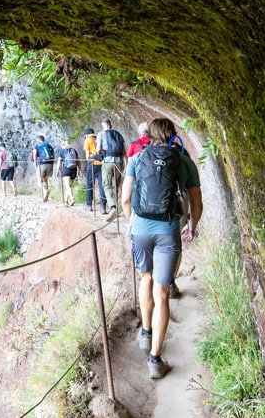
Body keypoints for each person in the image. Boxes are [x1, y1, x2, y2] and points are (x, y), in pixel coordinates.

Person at [122, 116, 203, 380]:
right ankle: (155, 360)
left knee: (146, 277)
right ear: (172, 135)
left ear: (150, 135)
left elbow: (125, 199)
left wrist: (133, 223)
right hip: (168, 230)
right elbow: (196, 205)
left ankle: (145, 334)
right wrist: (191, 227)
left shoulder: (137, 158)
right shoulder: (184, 162)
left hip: (141, 229)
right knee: (162, 290)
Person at [97, 119, 126, 212]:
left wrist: (100, 151)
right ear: (111, 125)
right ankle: (118, 206)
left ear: (103, 125)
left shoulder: (101, 134)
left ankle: (112, 206)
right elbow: (124, 150)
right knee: (117, 185)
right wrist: (126, 163)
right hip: (119, 162)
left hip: (107, 162)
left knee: (107, 185)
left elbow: (98, 149)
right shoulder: (118, 134)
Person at [82, 126, 107, 214]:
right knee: (102, 185)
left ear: (86, 135)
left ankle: (89, 205)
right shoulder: (100, 139)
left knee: (89, 184)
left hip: (92, 164)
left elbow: (87, 156)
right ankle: (103, 207)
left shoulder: (88, 140)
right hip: (102, 164)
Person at [55, 141, 79, 206]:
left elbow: (59, 161)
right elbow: (78, 161)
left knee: (67, 185)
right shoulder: (74, 151)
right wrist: (80, 170)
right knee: (69, 186)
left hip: (66, 169)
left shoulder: (62, 151)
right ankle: (66, 201)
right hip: (74, 169)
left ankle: (72, 198)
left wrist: (57, 170)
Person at [32, 134, 55, 202]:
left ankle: (45, 192)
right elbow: (53, 153)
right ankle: (45, 195)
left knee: (41, 179)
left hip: (42, 163)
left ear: (38, 140)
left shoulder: (37, 145)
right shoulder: (48, 145)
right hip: (50, 163)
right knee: (46, 179)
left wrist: (35, 162)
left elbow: (35, 153)